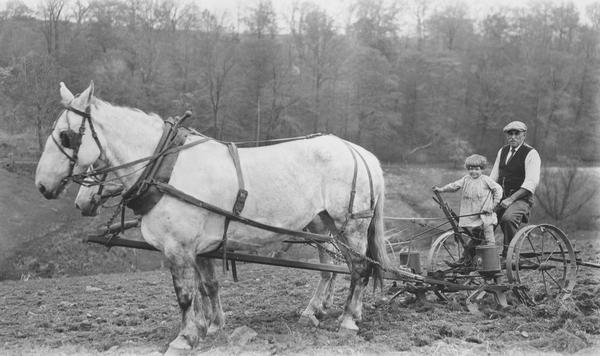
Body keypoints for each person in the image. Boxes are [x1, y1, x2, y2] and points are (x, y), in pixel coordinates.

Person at [433, 154, 503, 266]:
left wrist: (493, 205)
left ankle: (492, 264)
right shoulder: (466, 179)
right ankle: (465, 259)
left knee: (489, 238)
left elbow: (498, 190)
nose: (473, 172)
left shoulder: (486, 180)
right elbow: (454, 186)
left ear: (482, 169)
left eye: (476, 169)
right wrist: (441, 189)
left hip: (485, 216)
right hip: (472, 216)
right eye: (470, 169)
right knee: (474, 238)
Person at [489, 121, 541, 260]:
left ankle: (509, 256)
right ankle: (469, 258)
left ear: (524, 135)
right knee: (485, 220)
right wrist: (487, 196)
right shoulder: (503, 151)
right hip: (501, 197)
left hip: (521, 199)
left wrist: (511, 199)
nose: (513, 137)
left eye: (516, 133)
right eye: (510, 134)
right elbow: (493, 177)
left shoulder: (531, 154)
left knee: (508, 219)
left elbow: (531, 182)